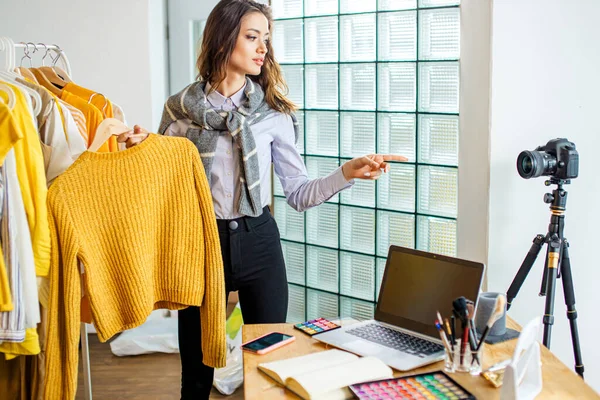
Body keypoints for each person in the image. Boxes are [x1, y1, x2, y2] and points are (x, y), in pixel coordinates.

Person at [118, 0, 406, 398]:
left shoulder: (273, 114)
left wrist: (346, 173)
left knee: (269, 369)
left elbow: (300, 195)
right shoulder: (179, 113)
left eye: (265, 39)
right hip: (200, 247)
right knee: (196, 376)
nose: (262, 48)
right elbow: (161, 190)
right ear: (222, 40)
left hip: (259, 244)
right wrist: (136, 153)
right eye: (252, 37)